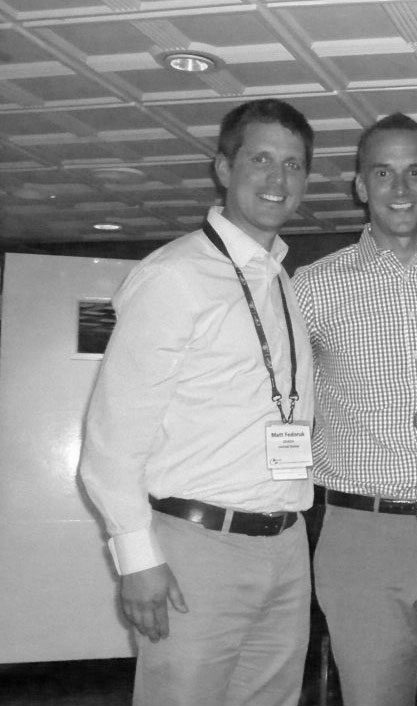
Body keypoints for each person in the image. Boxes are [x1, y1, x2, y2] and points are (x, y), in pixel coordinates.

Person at [79, 98, 316, 706]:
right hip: (197, 547)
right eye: (261, 159)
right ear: (223, 168)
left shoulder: (281, 278)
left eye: (292, 165)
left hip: (286, 546)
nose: (277, 179)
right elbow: (112, 439)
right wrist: (136, 558)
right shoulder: (176, 275)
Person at [292, 113, 417, 706]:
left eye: (415, 173)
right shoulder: (311, 287)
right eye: (383, 173)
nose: (400, 189)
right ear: (360, 185)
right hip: (361, 537)